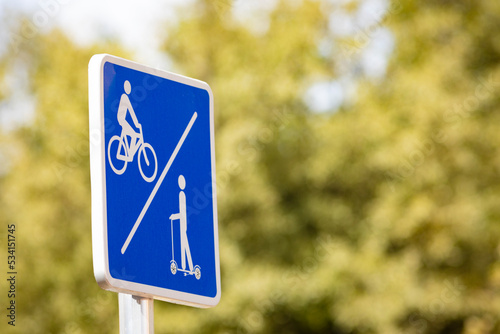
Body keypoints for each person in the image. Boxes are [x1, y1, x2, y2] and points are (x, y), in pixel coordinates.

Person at [170, 175, 194, 272]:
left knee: (184, 242)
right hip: (182, 221)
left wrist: (175, 216)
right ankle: (187, 267)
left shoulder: (182, 195)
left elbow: (183, 211)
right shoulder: (181, 194)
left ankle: (188, 267)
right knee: (184, 242)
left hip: (182, 222)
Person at [117, 80, 141, 160]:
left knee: (132, 133)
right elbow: (131, 111)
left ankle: (128, 153)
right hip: (121, 119)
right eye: (128, 87)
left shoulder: (126, 97)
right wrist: (136, 123)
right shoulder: (124, 97)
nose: (129, 89)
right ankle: (129, 156)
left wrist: (136, 123)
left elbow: (131, 112)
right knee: (134, 135)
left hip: (123, 119)